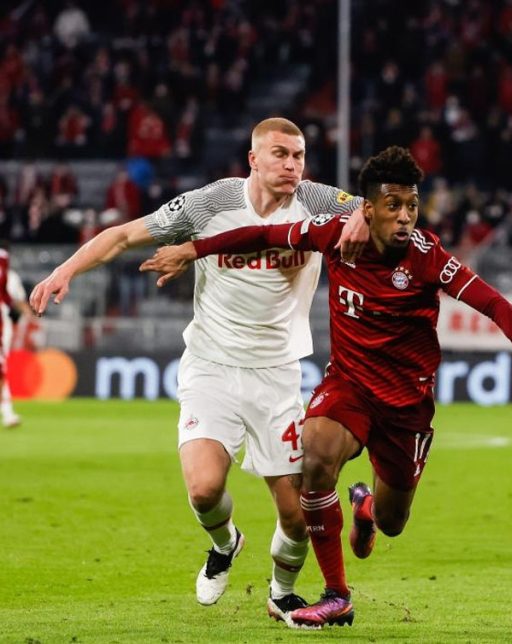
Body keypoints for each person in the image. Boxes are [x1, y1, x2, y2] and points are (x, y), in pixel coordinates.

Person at [140, 145, 512, 630]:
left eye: (411, 205)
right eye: (393, 205)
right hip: (350, 385)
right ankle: (336, 594)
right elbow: (262, 233)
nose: (405, 216)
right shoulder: (334, 237)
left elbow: (492, 302)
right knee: (316, 454)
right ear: (368, 209)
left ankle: (364, 507)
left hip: (406, 405)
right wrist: (192, 248)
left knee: (391, 522)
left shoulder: (428, 258)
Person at [29, 117, 369, 624]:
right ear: (253, 159)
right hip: (210, 367)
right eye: (280, 154)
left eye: (299, 155)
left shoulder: (318, 200)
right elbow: (124, 235)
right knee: (204, 489)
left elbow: (380, 210)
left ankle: (282, 592)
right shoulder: (211, 204)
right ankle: (225, 543)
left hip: (277, 374)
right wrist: (67, 269)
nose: (292, 165)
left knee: (297, 517)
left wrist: (363, 213)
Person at [1, 254, 32, 427]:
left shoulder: (10, 277)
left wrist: (30, 314)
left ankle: (7, 412)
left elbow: (18, 302)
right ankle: (7, 412)